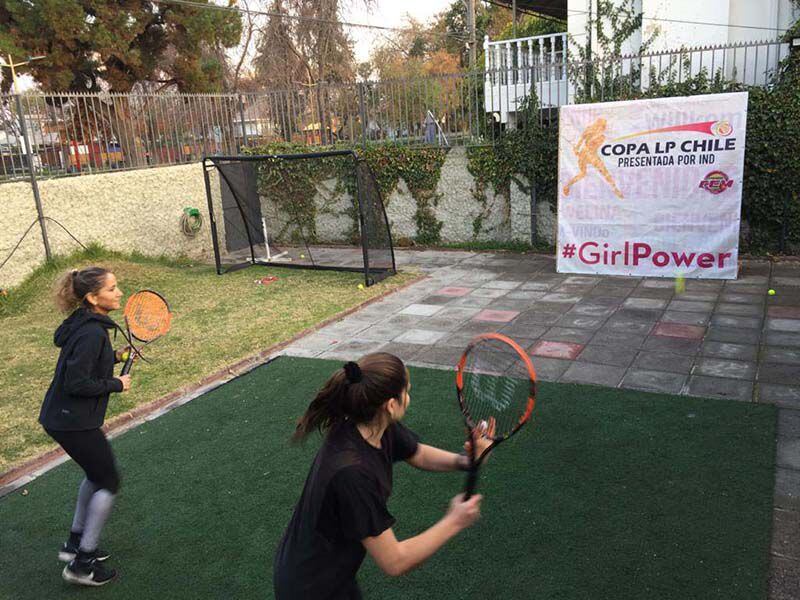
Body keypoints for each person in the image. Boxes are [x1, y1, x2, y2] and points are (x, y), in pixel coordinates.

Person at [273, 352, 491, 599]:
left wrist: (467, 461)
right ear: (390, 404)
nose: (408, 398)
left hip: (324, 569)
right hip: (311, 587)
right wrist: (454, 520)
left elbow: (418, 454)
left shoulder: (373, 424)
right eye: (406, 392)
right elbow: (394, 561)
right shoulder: (352, 473)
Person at [39, 267, 133, 587]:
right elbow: (77, 381)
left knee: (96, 475)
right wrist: (116, 384)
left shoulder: (84, 322)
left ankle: (75, 544)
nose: (119, 292)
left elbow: (88, 360)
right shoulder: (93, 331)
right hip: (71, 421)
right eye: (112, 288)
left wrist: (117, 356)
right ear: (93, 297)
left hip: (64, 418)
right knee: (108, 479)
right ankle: (83, 564)